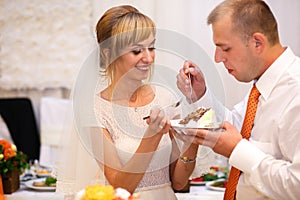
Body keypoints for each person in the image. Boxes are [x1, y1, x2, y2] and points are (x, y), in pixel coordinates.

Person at [57, 5, 214, 200]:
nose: (148, 58)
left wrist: (194, 137)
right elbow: (120, 187)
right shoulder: (94, 110)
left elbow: (178, 182)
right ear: (109, 53)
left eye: (151, 47)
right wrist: (152, 136)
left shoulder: (165, 98)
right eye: (137, 51)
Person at [175, 0, 300, 199]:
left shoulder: (296, 91)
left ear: (257, 43)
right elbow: (237, 128)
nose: (217, 58)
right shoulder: (261, 87)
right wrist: (201, 94)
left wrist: (238, 150)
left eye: (225, 48)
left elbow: (296, 185)